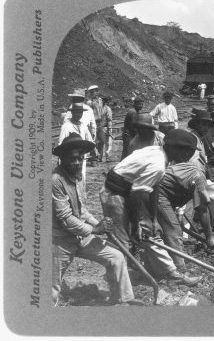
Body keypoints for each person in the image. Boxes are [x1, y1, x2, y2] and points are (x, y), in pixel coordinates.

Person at [100, 130, 203, 285]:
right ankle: (119, 284)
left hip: (128, 192)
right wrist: (137, 224)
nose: (188, 155)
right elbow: (138, 194)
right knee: (122, 241)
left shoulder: (159, 155)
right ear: (174, 148)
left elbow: (154, 188)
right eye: (185, 150)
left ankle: (162, 272)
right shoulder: (157, 164)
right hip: (114, 194)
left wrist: (153, 219)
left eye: (190, 151)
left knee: (150, 231)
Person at [52, 133, 142, 306]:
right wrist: (94, 229)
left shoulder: (77, 176)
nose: (77, 162)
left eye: (80, 158)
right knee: (50, 289)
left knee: (116, 257)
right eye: (72, 159)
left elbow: (81, 209)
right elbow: (65, 218)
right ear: (62, 158)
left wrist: (98, 223)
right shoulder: (56, 180)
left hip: (80, 236)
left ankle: (122, 300)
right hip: (59, 241)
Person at [155, 131, 214, 272]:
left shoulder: (194, 169)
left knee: (168, 229)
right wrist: (209, 237)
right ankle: (179, 270)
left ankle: (163, 265)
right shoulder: (198, 175)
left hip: (162, 194)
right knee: (174, 231)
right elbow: (202, 210)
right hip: (158, 195)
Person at [86, 85, 106, 163]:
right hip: (92, 123)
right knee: (93, 141)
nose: (94, 93)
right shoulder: (89, 102)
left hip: (100, 123)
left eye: (95, 91)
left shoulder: (100, 100)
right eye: (92, 92)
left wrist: (103, 121)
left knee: (102, 140)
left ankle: (99, 157)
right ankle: (93, 158)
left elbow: (101, 111)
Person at [101, 96, 114, 162]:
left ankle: (107, 157)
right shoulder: (99, 109)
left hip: (106, 127)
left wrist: (109, 129)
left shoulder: (107, 109)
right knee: (101, 143)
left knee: (108, 143)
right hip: (101, 127)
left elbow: (109, 120)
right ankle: (100, 158)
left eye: (102, 100)